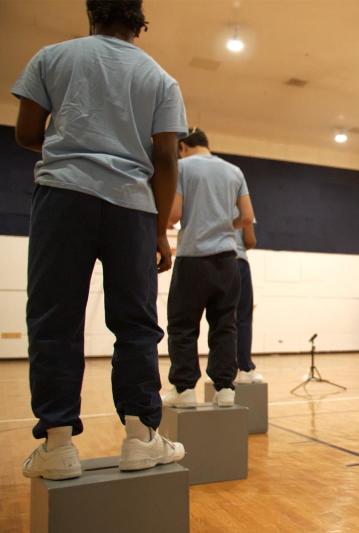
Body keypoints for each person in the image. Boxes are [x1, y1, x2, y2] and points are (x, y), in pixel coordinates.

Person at [13, 0, 186, 480]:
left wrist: (73, 140)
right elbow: (168, 160)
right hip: (132, 207)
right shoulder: (161, 79)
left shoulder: (53, 57)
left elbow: (28, 132)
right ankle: (140, 437)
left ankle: (58, 445)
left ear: (92, 15)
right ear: (140, 23)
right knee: (135, 324)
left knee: (54, 319)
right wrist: (159, 232)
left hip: (63, 196)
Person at [162, 128, 255, 407]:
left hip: (192, 258)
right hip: (227, 260)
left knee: (183, 326)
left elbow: (175, 214)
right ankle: (225, 388)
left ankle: (185, 389)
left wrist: (166, 222)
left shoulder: (182, 167)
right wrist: (226, 226)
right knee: (225, 325)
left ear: (183, 147)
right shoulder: (234, 171)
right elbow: (247, 216)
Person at [234, 221, 263, 383]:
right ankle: (244, 369)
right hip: (237, 260)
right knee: (243, 319)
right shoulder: (240, 195)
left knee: (220, 320)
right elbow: (250, 240)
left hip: (209, 259)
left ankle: (220, 371)